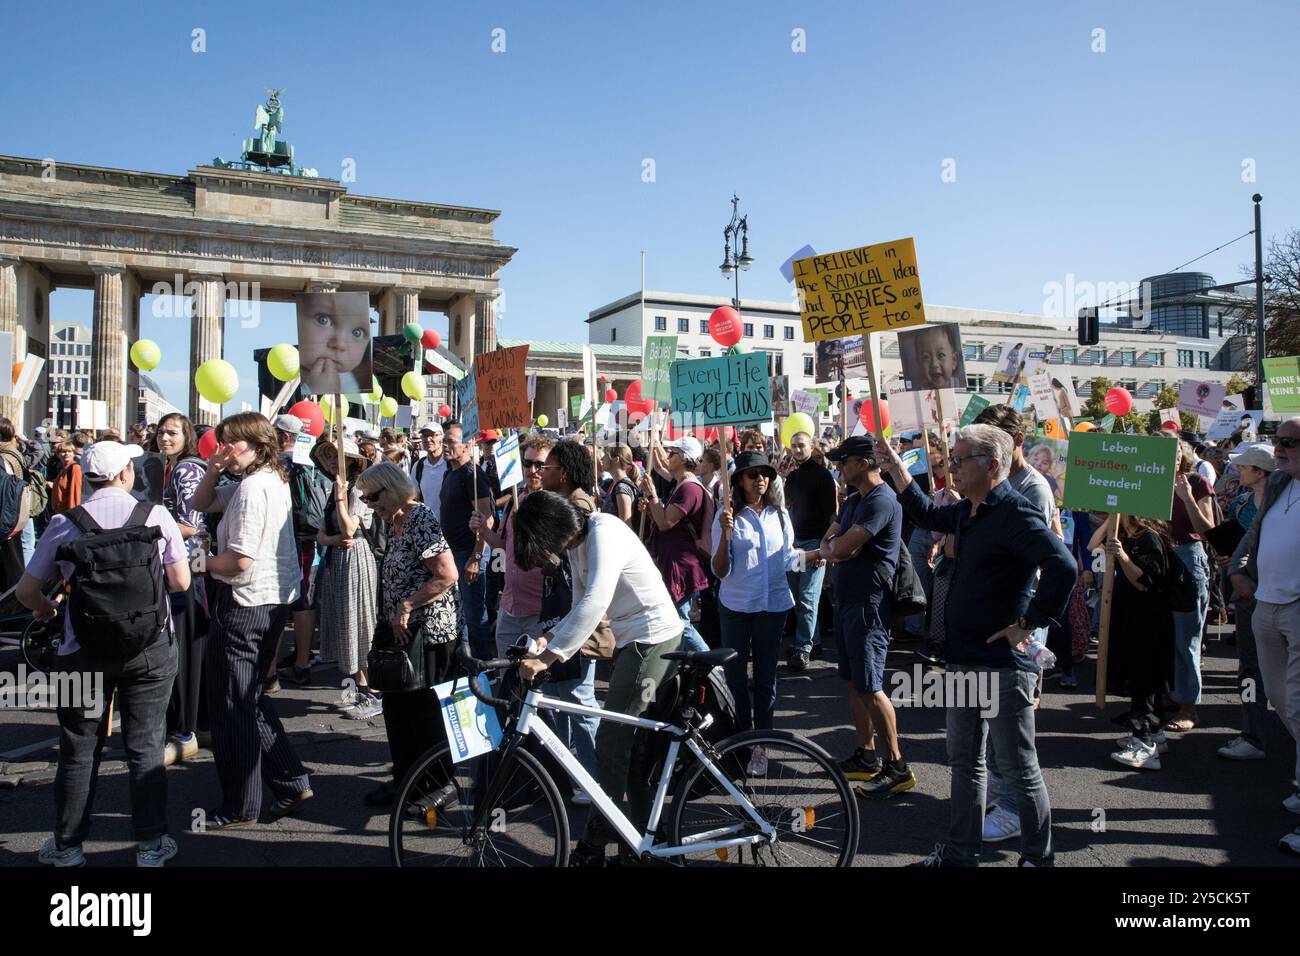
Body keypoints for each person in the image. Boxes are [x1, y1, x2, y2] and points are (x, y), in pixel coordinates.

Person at [881, 424, 1076, 867]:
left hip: (1003, 665)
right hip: (964, 659)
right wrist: (896, 468)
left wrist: (1029, 623)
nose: (952, 466)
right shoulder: (970, 510)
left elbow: (1062, 564)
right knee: (965, 762)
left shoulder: (1014, 514)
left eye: (960, 459)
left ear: (991, 465)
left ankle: (1037, 859)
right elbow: (929, 513)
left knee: (1018, 769)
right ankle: (959, 854)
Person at [18, 440, 191, 867]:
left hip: (84, 649)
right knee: (146, 745)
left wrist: (47, 608)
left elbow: (26, 591)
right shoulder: (155, 516)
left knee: (78, 747)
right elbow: (180, 583)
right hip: (150, 646)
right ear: (126, 474)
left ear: (90, 478)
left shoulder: (65, 523)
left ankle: (68, 845)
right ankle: (151, 845)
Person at [513, 492, 684, 866]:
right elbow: (579, 607)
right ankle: (640, 839)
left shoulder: (604, 530)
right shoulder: (577, 545)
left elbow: (595, 601)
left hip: (652, 638)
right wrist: (549, 638)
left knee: (612, 741)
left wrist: (549, 658)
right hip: (633, 640)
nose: (546, 555)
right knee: (631, 749)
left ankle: (598, 836)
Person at [190, 413, 312, 828]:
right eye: (221, 443)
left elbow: (239, 560)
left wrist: (199, 564)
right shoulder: (263, 480)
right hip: (268, 601)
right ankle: (291, 780)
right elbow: (200, 502)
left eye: (232, 444)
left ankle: (241, 804)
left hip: (245, 604)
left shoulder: (254, 487)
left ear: (259, 446)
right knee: (251, 697)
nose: (224, 451)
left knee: (232, 705)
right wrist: (212, 469)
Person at [355, 461, 462, 806]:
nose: (370, 504)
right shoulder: (396, 522)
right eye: (366, 499)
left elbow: (447, 575)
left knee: (425, 714)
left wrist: (407, 605)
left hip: (429, 633)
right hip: (401, 635)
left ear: (392, 489)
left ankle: (438, 785)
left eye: (373, 497)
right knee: (398, 712)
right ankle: (406, 781)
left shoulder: (420, 518)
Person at [713, 451, 820, 776]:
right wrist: (724, 536)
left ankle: (761, 746)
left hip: (772, 607)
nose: (760, 478)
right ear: (740, 481)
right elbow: (719, 571)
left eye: (765, 473)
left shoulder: (780, 515)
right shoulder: (727, 516)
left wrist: (816, 555)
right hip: (736, 605)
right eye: (752, 474)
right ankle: (741, 740)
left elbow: (788, 559)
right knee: (735, 679)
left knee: (765, 679)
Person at [819, 436, 912, 798]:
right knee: (855, 684)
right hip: (848, 602)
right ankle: (867, 755)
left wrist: (835, 550)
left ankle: (897, 766)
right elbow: (834, 538)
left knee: (871, 686)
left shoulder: (882, 500)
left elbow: (838, 545)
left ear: (862, 462)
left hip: (869, 606)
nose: (839, 467)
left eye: (843, 461)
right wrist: (834, 550)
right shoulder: (856, 499)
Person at [1229, 417, 1300, 856]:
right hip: (1265, 605)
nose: (1280, 448)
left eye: (1290, 442)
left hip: (1296, 607)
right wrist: (1237, 569)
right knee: (1281, 701)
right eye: (1278, 440)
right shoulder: (1278, 485)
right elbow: (1254, 535)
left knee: (1297, 702)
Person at [533, 439, 602, 780]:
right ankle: (569, 771)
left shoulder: (579, 505)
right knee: (559, 694)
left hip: (579, 616)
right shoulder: (561, 502)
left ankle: (595, 778)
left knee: (578, 698)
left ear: (563, 473)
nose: (539, 473)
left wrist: (542, 548)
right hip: (560, 610)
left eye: (545, 468)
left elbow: (576, 561)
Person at [1089, 514, 1177, 769]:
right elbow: (1092, 546)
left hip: (1148, 622)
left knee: (1145, 681)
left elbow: (1143, 582)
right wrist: (1111, 522)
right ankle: (1155, 735)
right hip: (1133, 618)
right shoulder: (1127, 535)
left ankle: (1145, 747)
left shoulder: (1148, 539)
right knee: (1144, 679)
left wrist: (1123, 557)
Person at [311, 436, 381, 719]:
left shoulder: (359, 489)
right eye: (327, 457)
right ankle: (358, 686)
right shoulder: (333, 489)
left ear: (351, 461)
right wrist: (333, 540)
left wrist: (341, 499)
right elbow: (321, 534)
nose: (331, 462)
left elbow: (350, 529)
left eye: (336, 457)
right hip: (337, 561)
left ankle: (370, 691)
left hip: (356, 560)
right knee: (344, 622)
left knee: (358, 621)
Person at [155, 412, 210, 765]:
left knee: (187, 649)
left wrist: (152, 522)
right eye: (161, 432)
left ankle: (186, 729)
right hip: (192, 566)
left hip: (189, 568)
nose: (165, 437)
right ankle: (196, 723)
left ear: (186, 435)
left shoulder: (187, 470)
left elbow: (192, 524)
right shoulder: (176, 467)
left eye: (172, 432)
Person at [1217, 443, 1274, 761]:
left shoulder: (1287, 505)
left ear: (1261, 472)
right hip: (1248, 598)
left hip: (1283, 597)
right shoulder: (1239, 504)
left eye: (1244, 466)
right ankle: (1252, 734)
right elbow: (1225, 542)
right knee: (1250, 669)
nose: (1236, 470)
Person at [639, 435, 711, 653]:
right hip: (675, 560)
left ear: (683, 457)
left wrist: (652, 495)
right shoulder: (681, 485)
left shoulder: (689, 489)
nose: (668, 456)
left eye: (672, 453)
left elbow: (665, 522)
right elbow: (663, 519)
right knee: (676, 620)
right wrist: (651, 509)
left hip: (682, 563)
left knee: (680, 622)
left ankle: (711, 664)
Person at [1165, 439, 1216, 732]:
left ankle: (1188, 706)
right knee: (1166, 634)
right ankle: (1174, 694)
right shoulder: (1151, 482)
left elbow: (1207, 530)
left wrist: (1186, 497)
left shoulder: (1196, 483)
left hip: (1188, 557)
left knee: (1187, 637)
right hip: (1160, 558)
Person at [272, 414, 324, 688]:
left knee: (280, 603)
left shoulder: (278, 464)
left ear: (283, 436)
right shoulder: (310, 462)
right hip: (308, 540)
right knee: (304, 602)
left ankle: (269, 670)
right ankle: (302, 662)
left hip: (283, 540)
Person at [439, 422, 496, 659]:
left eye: (451, 441)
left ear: (466, 445)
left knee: (475, 616)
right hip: (453, 553)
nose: (445, 445)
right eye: (445, 440)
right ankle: (465, 662)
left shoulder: (473, 475)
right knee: (458, 614)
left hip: (469, 553)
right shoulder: (450, 472)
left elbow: (488, 520)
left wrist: (476, 556)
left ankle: (485, 667)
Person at [782, 430, 837, 670]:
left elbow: (831, 514)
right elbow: (785, 507)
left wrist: (825, 547)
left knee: (808, 597)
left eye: (801, 445)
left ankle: (803, 647)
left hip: (815, 543)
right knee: (798, 597)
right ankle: (812, 641)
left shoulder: (823, 476)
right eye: (793, 445)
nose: (797, 450)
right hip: (795, 545)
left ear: (811, 446)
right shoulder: (792, 478)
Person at [907, 324, 963, 390]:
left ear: (954, 360)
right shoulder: (918, 392)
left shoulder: (961, 385)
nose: (934, 364)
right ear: (919, 363)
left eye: (941, 355)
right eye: (926, 357)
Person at [601, 444, 639, 526]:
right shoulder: (613, 484)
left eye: (605, 455)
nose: (602, 458)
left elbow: (626, 525)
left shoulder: (622, 489)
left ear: (616, 459)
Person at [410, 422, 447, 507]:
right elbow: (415, 498)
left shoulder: (450, 464)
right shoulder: (418, 466)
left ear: (442, 437)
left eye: (433, 435)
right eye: (425, 436)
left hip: (450, 520)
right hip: (427, 520)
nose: (428, 439)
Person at [49, 441, 82, 515]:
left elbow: (76, 492)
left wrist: (74, 514)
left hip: (68, 513)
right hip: (60, 511)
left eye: (69, 451)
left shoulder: (75, 468)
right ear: (58, 454)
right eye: (63, 451)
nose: (67, 454)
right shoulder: (63, 469)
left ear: (74, 454)